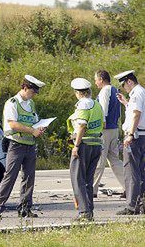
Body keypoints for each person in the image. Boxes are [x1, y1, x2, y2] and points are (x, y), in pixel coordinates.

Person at [0, 75, 46, 218]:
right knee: (10, 176)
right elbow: (13, 124)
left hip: (30, 144)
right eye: (32, 91)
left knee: (29, 178)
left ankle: (25, 208)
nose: (34, 95)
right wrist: (32, 130)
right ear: (25, 87)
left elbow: (34, 120)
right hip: (16, 145)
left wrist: (40, 127)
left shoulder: (31, 104)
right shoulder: (12, 103)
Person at [67, 78, 103, 221]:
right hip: (96, 144)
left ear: (77, 93)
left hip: (84, 145)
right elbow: (103, 123)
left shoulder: (83, 105)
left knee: (78, 178)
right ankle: (89, 210)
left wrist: (76, 145)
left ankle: (84, 212)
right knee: (88, 179)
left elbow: (82, 125)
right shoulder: (97, 104)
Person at [114, 70, 145, 215]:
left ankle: (132, 207)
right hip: (141, 135)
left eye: (124, 85)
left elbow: (137, 114)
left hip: (136, 136)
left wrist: (130, 134)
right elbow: (135, 111)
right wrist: (125, 103)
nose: (124, 88)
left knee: (131, 172)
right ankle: (141, 204)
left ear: (129, 81)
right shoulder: (140, 92)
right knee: (140, 172)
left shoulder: (137, 93)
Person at [93, 70, 125, 197]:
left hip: (105, 130)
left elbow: (103, 110)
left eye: (96, 80)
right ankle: (129, 186)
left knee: (99, 161)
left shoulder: (105, 90)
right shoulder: (115, 90)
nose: (95, 83)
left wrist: (100, 127)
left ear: (101, 79)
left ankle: (92, 190)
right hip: (114, 129)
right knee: (115, 160)